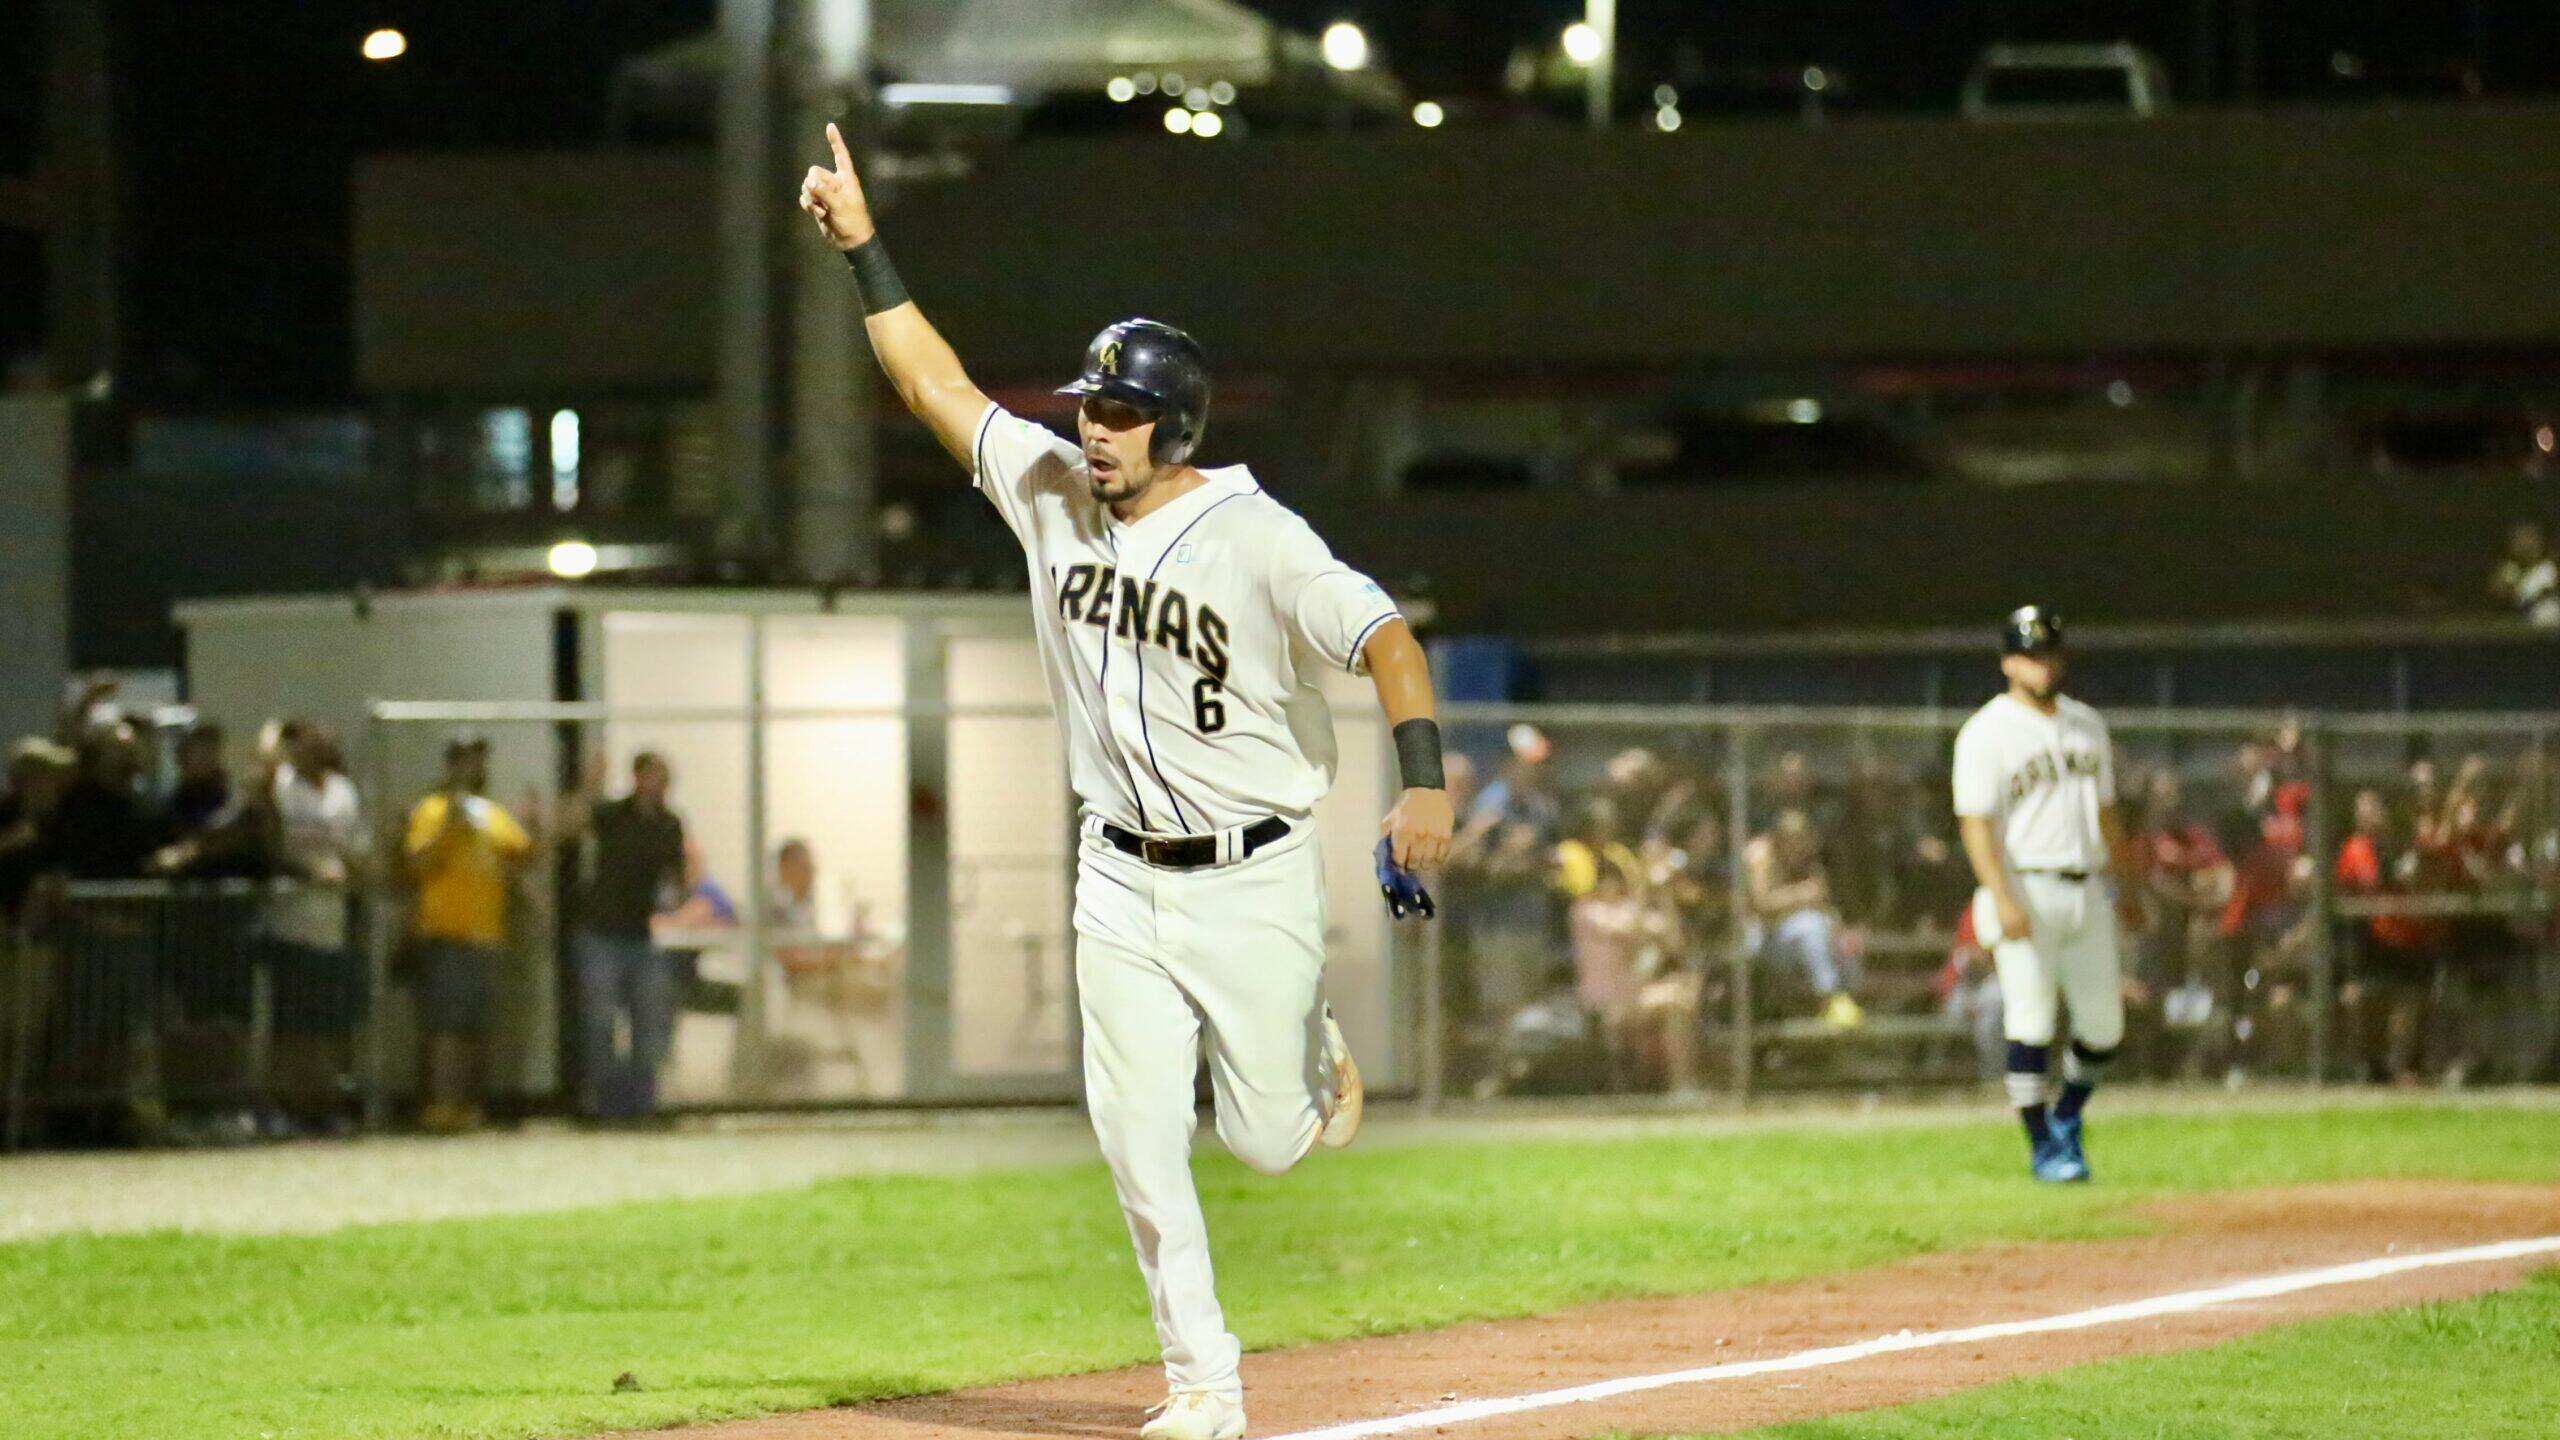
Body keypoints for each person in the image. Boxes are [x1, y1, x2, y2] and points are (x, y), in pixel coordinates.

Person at [800, 125, 1455, 1440]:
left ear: (1179, 424)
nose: (1089, 430)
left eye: (1117, 413)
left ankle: (1307, 1056)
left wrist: (1423, 783)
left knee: (1268, 1143)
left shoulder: (1259, 538)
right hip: (1115, 870)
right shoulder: (1048, 489)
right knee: (1136, 1140)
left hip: (1253, 866)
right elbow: (933, 387)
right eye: (1085, 407)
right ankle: (1204, 1384)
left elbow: (1384, 636)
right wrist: (868, 249)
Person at [1952, 606, 2143, 1184]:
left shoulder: (2088, 725)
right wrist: (1999, 895)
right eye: (2031, 654)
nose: (2042, 664)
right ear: (2008, 662)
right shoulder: (1987, 731)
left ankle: (2065, 1117)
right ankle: (2042, 1147)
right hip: (2025, 886)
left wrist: (2127, 882)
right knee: (2031, 1022)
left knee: (2105, 1026)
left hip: (2087, 887)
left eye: (2050, 653)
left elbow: (2107, 815)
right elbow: (1975, 823)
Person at [401, 735, 535, 1134]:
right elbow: (415, 864)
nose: (472, 767)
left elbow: (524, 855)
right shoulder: (431, 810)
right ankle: (441, 1106)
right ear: (450, 765)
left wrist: (537, 821)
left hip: (486, 935)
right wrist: (448, 829)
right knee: (446, 1027)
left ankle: (469, 1105)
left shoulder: (492, 813)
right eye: (464, 760)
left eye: (478, 759)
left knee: (477, 1027)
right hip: (445, 933)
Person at [560, 751, 689, 1120]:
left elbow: (675, 876)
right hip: (601, 933)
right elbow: (569, 828)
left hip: (640, 933)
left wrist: (675, 897)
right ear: (637, 778)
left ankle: (642, 1104)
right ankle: (605, 1105)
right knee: (600, 1022)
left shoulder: (669, 824)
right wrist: (587, 787)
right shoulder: (613, 815)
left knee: (649, 1021)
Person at [266, 723, 371, 1132]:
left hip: (333, 923)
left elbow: (356, 847)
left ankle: (322, 1106)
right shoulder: (280, 786)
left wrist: (354, 873)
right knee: (291, 1025)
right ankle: (286, 1106)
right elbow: (270, 843)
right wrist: (307, 868)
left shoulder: (343, 790)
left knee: (328, 1023)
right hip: (290, 922)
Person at [1744, 807, 1863, 1028]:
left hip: (1798, 946)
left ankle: (1847, 999)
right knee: (1811, 926)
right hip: (1763, 944)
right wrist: (1801, 895)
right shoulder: (1762, 855)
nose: (1799, 846)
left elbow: (1822, 903)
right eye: (1793, 840)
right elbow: (1761, 905)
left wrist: (1838, 927)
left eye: (1803, 840)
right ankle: (1827, 999)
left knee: (1842, 935)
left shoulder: (1808, 861)